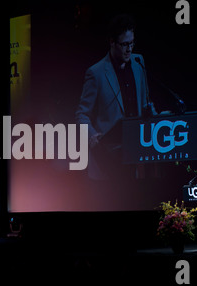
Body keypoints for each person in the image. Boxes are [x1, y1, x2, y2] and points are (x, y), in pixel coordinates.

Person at [76, 14, 157, 179]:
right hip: (109, 159)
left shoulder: (139, 63)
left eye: (132, 43)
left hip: (138, 155)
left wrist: (157, 117)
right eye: (124, 44)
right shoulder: (96, 73)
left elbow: (145, 102)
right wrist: (92, 137)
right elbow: (81, 115)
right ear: (112, 42)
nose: (129, 49)